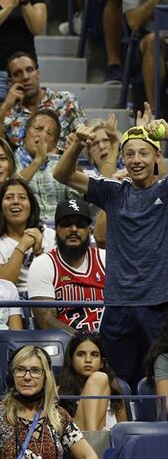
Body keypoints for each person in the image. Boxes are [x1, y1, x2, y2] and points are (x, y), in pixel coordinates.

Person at [54, 122, 168, 386]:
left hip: (159, 304)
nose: (137, 160)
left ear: (157, 157)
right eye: (130, 154)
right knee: (116, 380)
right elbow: (63, 174)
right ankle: (122, 428)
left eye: (144, 153)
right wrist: (78, 144)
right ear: (122, 158)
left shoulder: (164, 190)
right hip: (118, 305)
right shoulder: (113, 191)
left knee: (160, 379)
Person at [0, 346, 98, 459]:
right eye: (20, 370)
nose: (27, 377)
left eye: (35, 371)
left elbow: (89, 456)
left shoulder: (59, 416)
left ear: (46, 378)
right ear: (11, 377)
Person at [29, 199, 106, 334]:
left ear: (89, 230)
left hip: (109, 338)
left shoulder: (105, 258)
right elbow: (45, 320)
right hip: (66, 345)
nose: (73, 229)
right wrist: (84, 342)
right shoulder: (43, 264)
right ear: (56, 230)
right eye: (66, 224)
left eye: (80, 225)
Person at [0, 52, 87, 153]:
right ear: (10, 82)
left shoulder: (66, 100)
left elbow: (86, 139)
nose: (25, 77)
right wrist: (5, 106)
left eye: (29, 70)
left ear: (38, 74)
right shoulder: (8, 114)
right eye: (18, 73)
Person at [0, 177, 56, 295]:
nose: (15, 201)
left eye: (22, 197)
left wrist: (39, 253)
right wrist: (21, 247)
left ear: (31, 205)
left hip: (48, 295)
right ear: (0, 206)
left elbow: (60, 280)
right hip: (12, 300)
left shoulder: (49, 235)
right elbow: (0, 288)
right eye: (9, 197)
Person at [3, 110, 76, 212]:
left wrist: (73, 157)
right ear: (25, 133)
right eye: (38, 129)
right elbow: (8, 193)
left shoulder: (60, 167)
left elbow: (78, 200)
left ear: (54, 143)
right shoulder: (7, 161)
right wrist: (38, 160)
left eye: (49, 133)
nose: (42, 135)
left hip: (60, 225)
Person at [58, 332, 129, 430]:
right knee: (99, 377)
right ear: (71, 360)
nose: (88, 360)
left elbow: (124, 433)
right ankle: (92, 438)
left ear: (102, 363)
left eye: (94, 355)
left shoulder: (114, 389)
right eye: (81, 354)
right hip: (77, 440)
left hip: (107, 443)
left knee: (100, 378)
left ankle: (94, 438)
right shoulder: (58, 391)